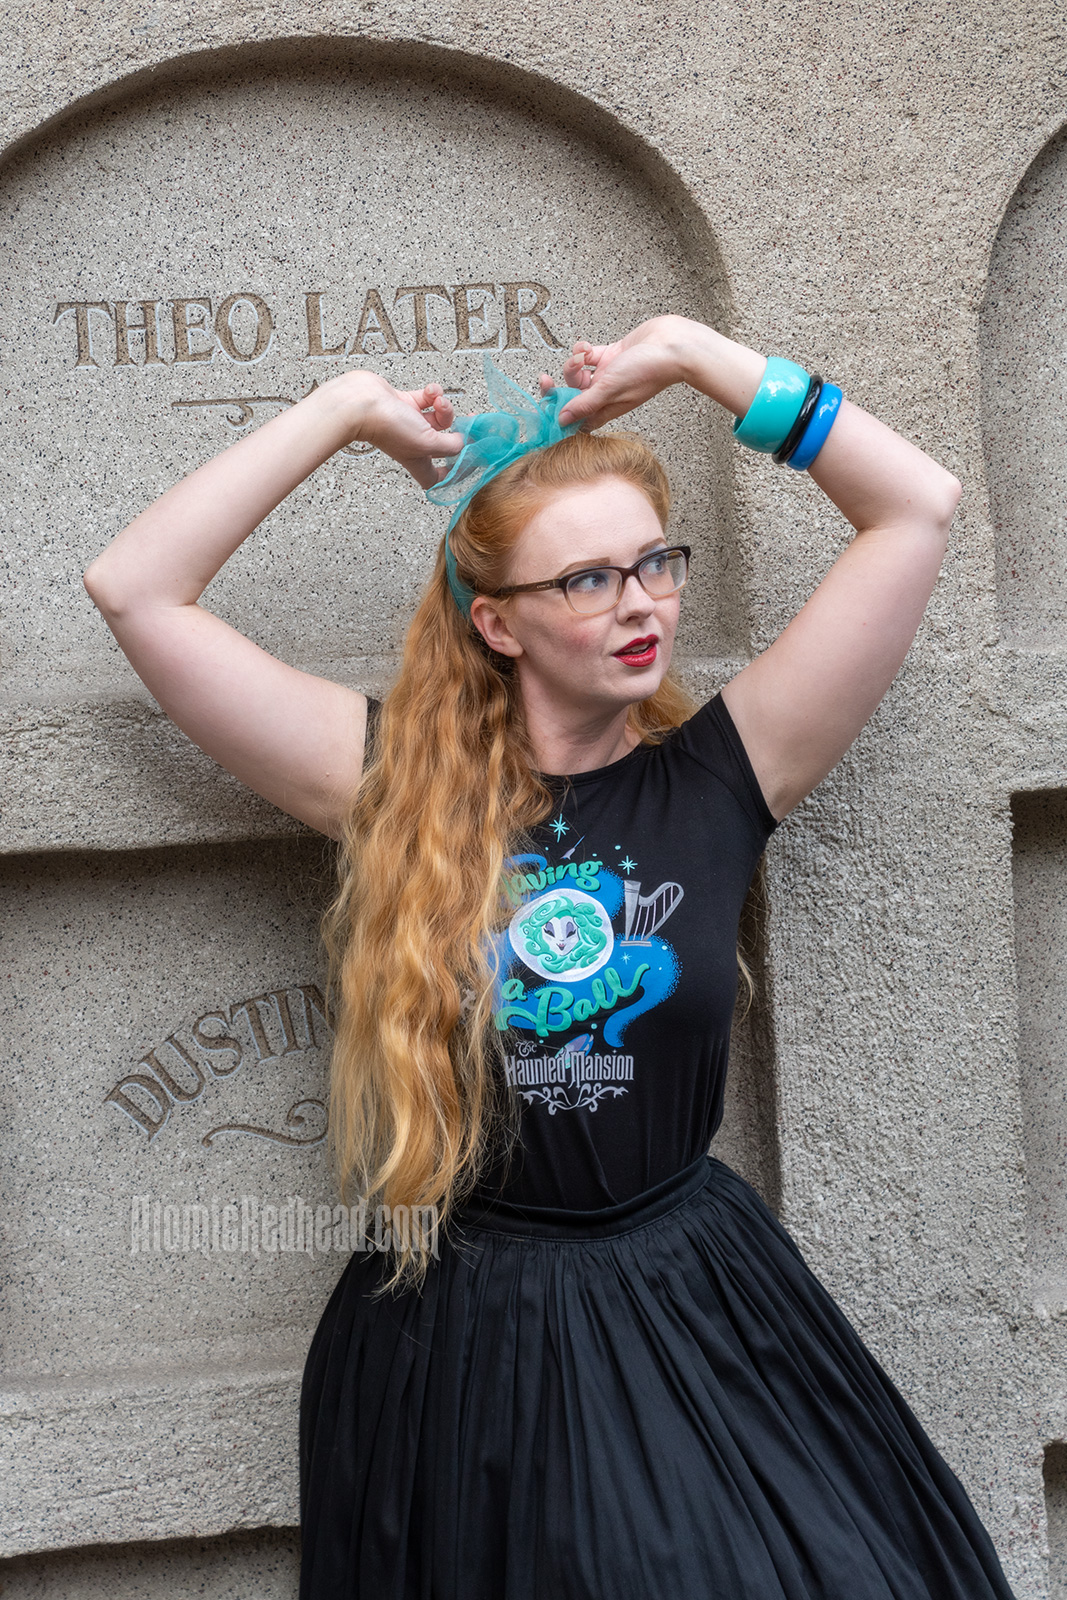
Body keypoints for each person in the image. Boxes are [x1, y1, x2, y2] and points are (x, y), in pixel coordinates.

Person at [83, 315, 1016, 1599]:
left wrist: (695, 358)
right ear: (497, 624)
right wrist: (343, 410)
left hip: (693, 1300)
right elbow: (136, 588)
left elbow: (913, 505)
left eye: (654, 564)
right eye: (585, 579)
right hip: (463, 1336)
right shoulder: (386, 789)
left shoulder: (726, 774)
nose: (639, 605)